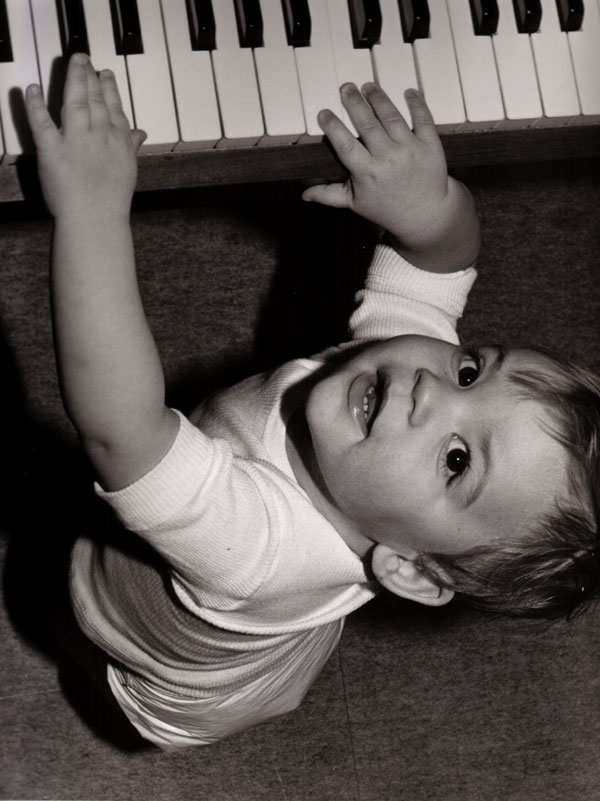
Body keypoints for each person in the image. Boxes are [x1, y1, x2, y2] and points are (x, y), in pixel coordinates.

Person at [24, 54, 600, 750]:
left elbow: (121, 429)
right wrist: (431, 210)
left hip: (167, 651)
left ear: (409, 566)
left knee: (64, 610)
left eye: (457, 461)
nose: (432, 389)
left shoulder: (259, 548)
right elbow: (443, 264)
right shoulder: (402, 385)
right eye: (474, 370)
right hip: (278, 558)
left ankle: (98, 676)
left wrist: (90, 210)